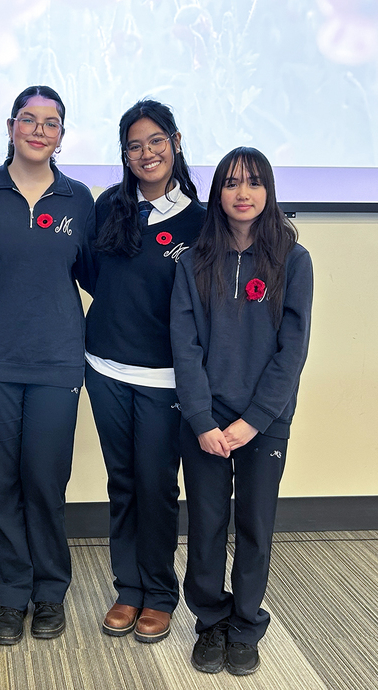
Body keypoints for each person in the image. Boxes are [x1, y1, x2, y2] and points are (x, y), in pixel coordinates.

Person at [0, 85, 95, 645]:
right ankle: (12, 596)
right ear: (10, 127)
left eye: (50, 122)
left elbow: (100, 280)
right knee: (4, 485)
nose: (39, 130)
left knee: (46, 484)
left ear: (61, 134)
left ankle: (50, 592)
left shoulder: (80, 200)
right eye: (28, 120)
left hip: (58, 366)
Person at [170, 147, 313, 676]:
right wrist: (203, 420)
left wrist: (253, 420)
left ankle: (247, 623)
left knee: (254, 523)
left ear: (269, 191)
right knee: (206, 523)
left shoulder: (293, 261)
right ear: (218, 194)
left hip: (265, 419)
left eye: (254, 182)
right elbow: (182, 345)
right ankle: (210, 621)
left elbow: (291, 352)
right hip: (204, 419)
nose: (243, 192)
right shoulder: (194, 261)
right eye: (231, 183)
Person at [84, 100, 205, 643]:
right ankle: (128, 587)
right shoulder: (107, 205)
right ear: (125, 154)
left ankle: (159, 593)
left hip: (165, 379)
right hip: (104, 368)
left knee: (157, 487)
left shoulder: (202, 221)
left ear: (175, 142)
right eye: (134, 146)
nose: (146, 153)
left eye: (156, 141)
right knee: (123, 483)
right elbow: (92, 274)